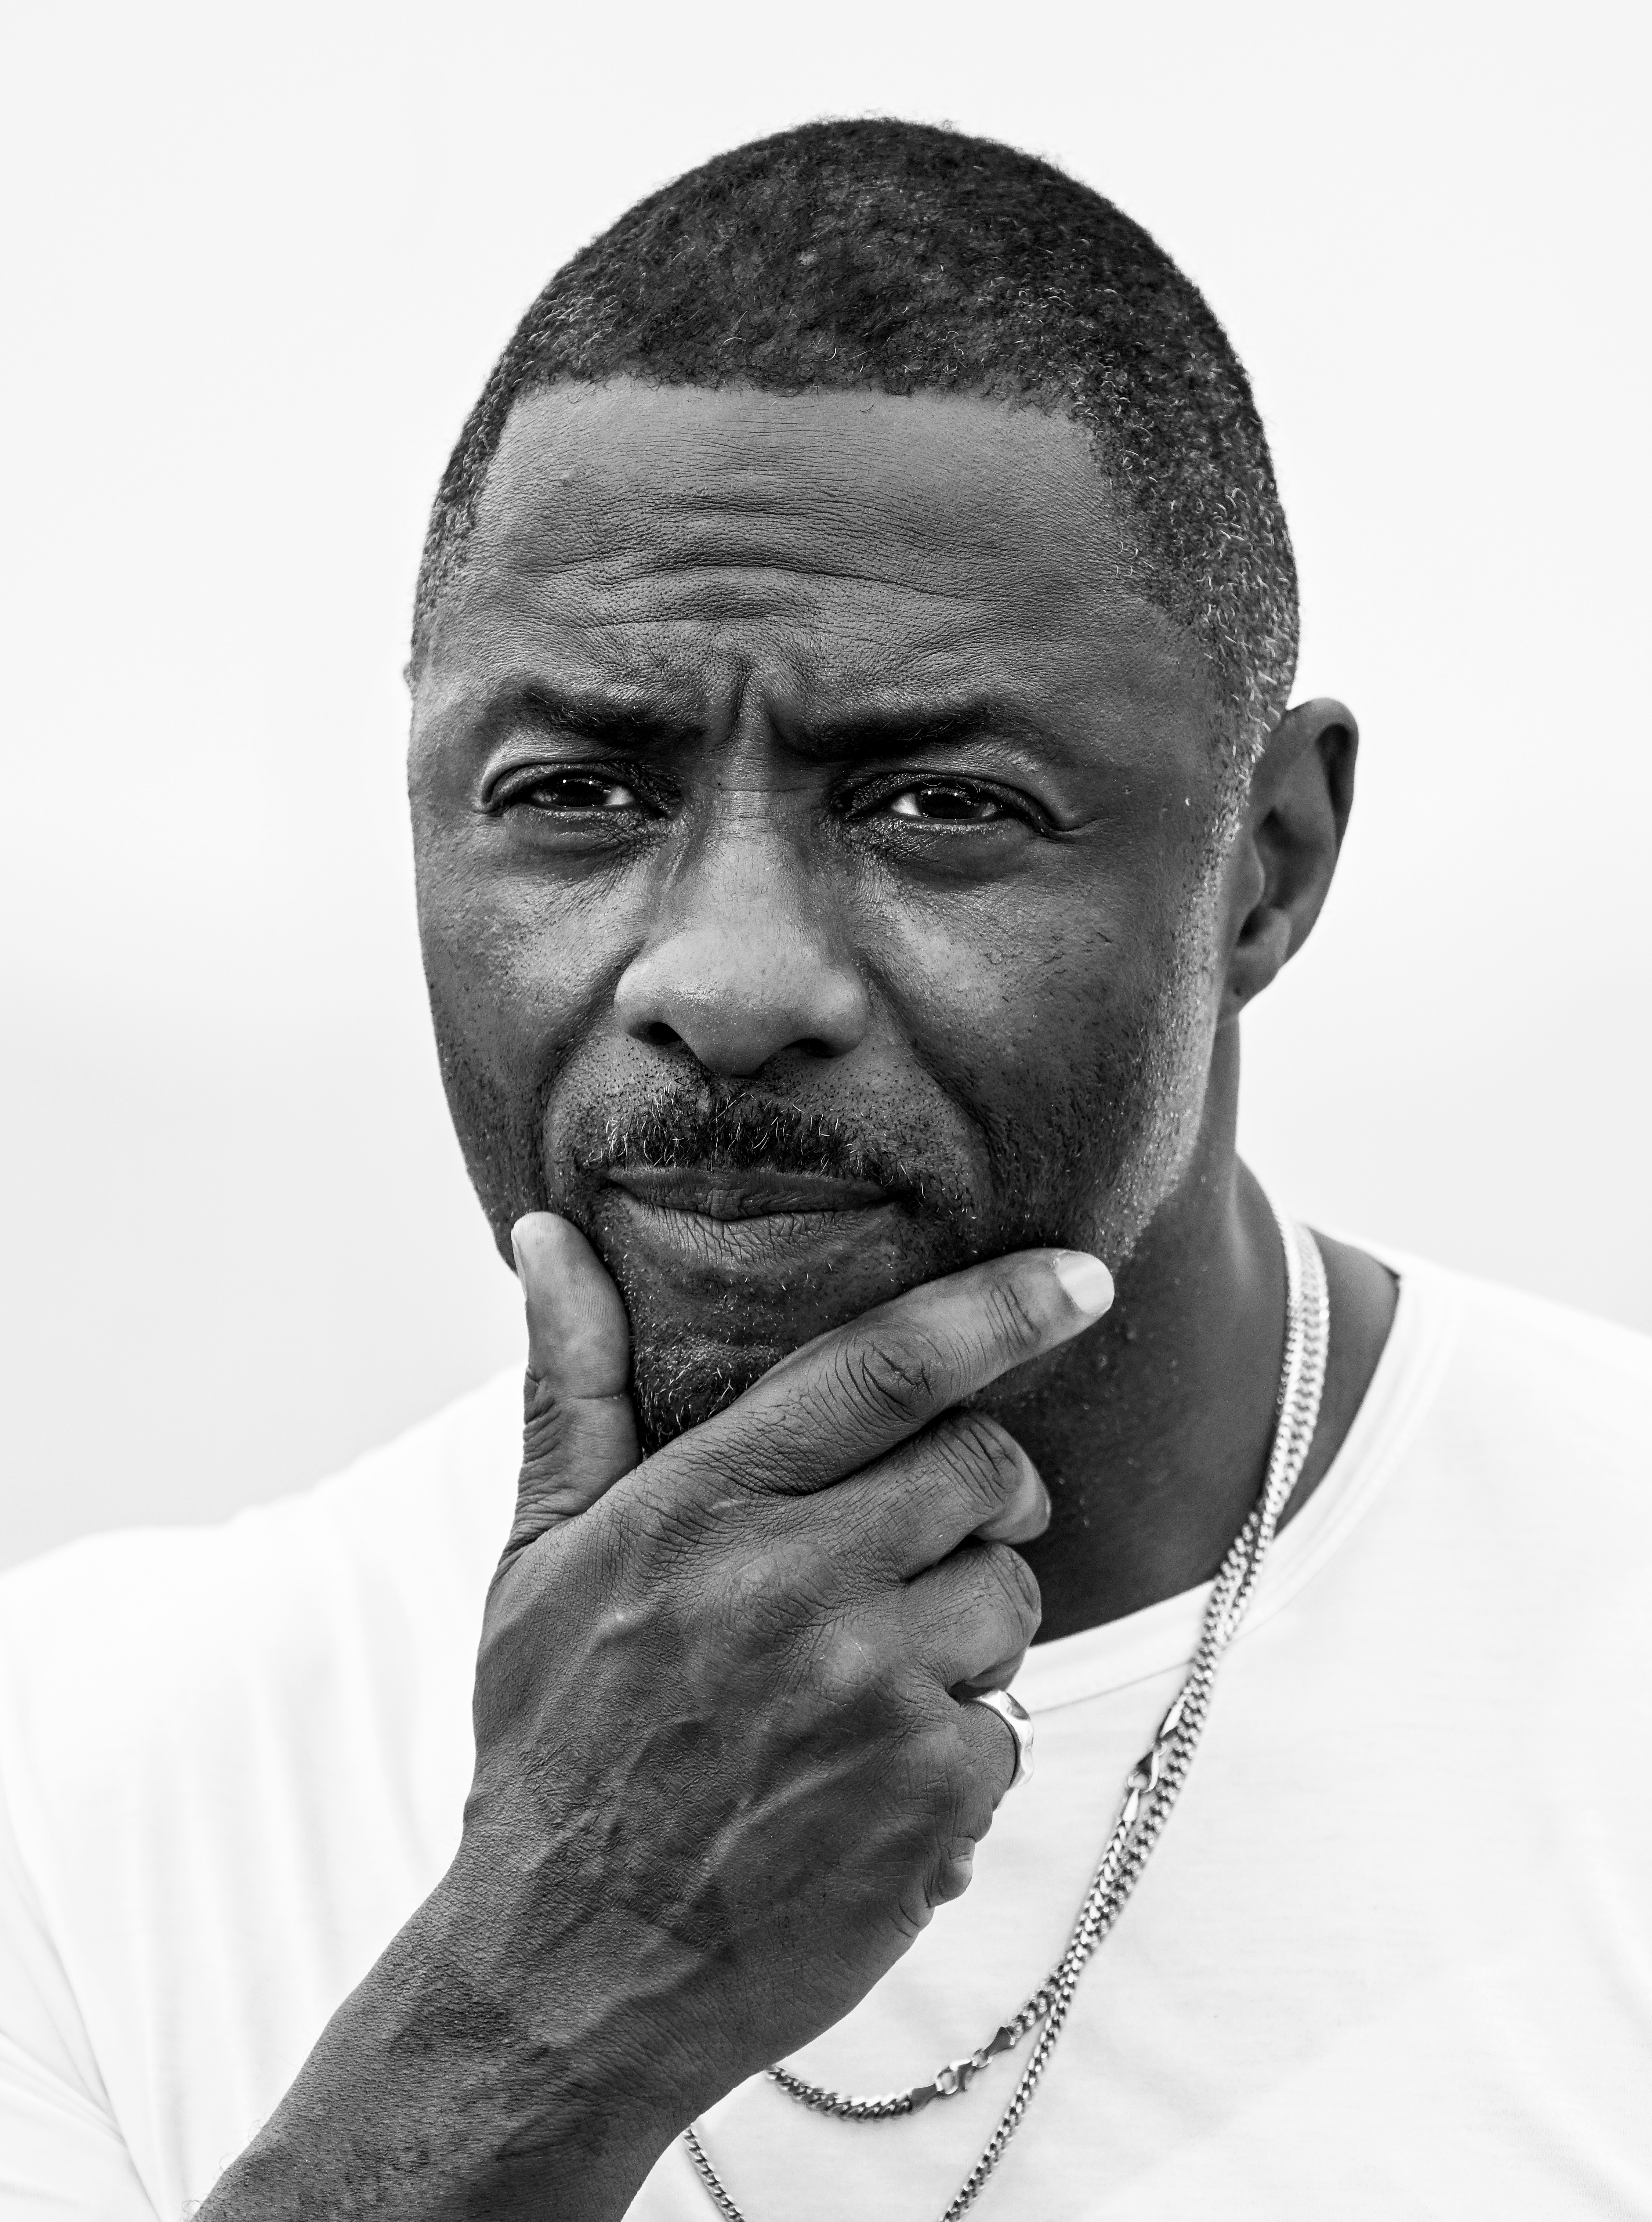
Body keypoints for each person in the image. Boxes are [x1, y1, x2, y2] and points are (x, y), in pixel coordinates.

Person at [2, 116, 1649, 2222]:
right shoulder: (68, 1786)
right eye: (576, 789)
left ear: (1270, 861)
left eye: (941, 801)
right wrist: (540, 1994)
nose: (729, 974)